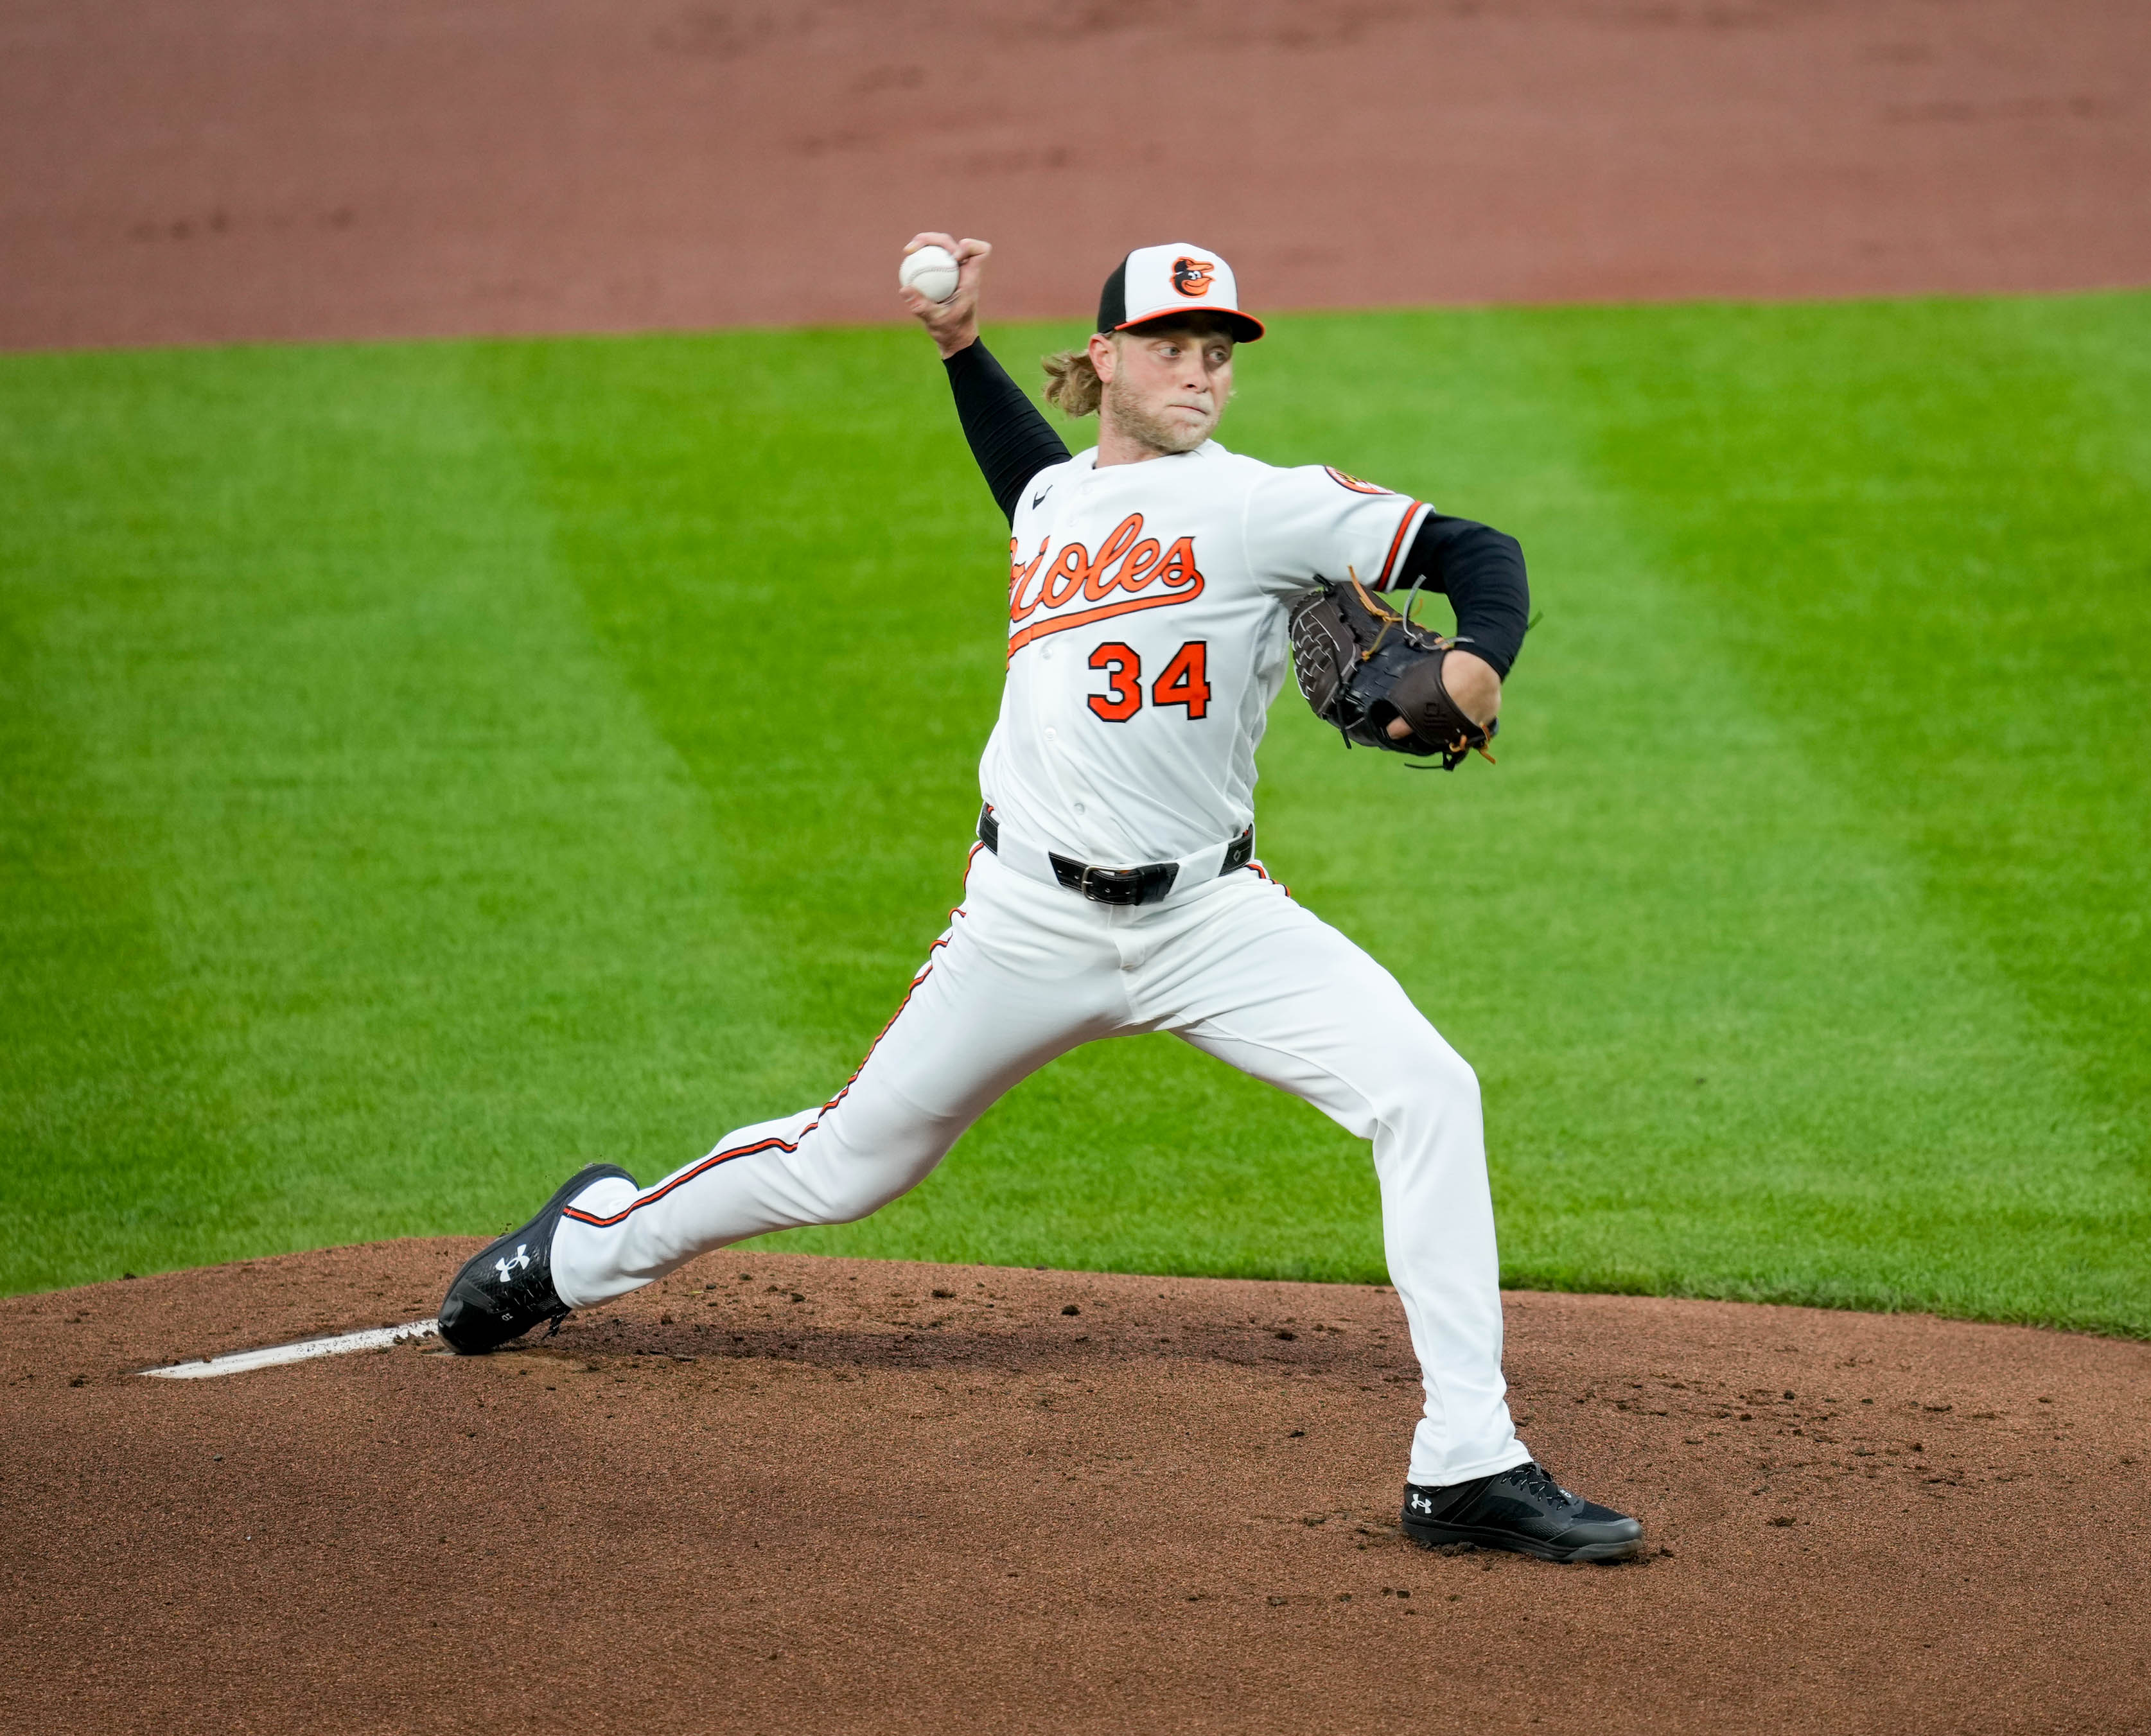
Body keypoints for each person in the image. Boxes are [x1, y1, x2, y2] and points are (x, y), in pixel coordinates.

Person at [435, 235, 1644, 1564]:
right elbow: (1030, 480)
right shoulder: (1059, 503)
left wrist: (1477, 658)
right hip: (1026, 923)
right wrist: (959, 346)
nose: (1199, 373)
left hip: (1211, 922)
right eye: (1173, 347)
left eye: (1218, 353)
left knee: (1428, 1088)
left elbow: (1480, 547)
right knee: (848, 1164)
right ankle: (580, 1246)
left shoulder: (1267, 505)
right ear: (1111, 356)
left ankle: (1465, 1459)